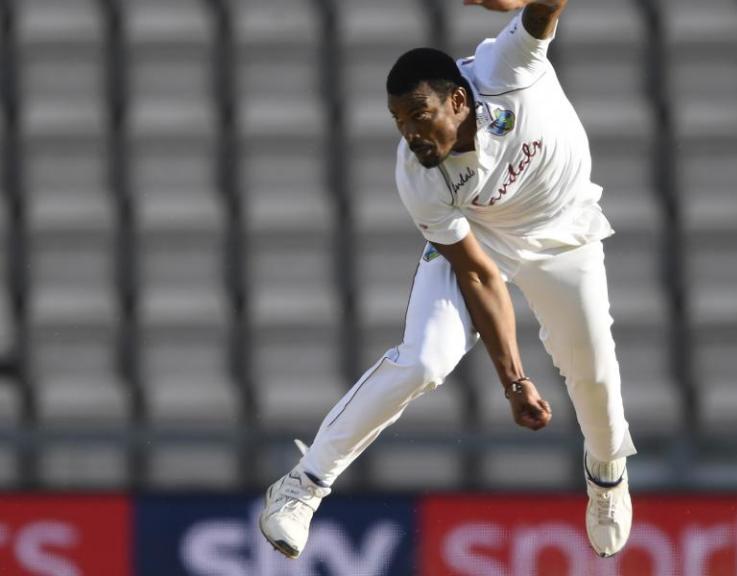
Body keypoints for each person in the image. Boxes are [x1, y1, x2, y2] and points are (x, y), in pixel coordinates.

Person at [259, 0, 637, 560]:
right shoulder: (419, 177)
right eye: (399, 121)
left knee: (595, 372)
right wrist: (514, 381)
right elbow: (480, 275)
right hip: (485, 242)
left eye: (419, 115)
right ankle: (303, 487)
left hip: (566, 235)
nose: (411, 133)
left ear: (458, 100)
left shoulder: (506, 67)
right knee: (424, 360)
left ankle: (606, 478)